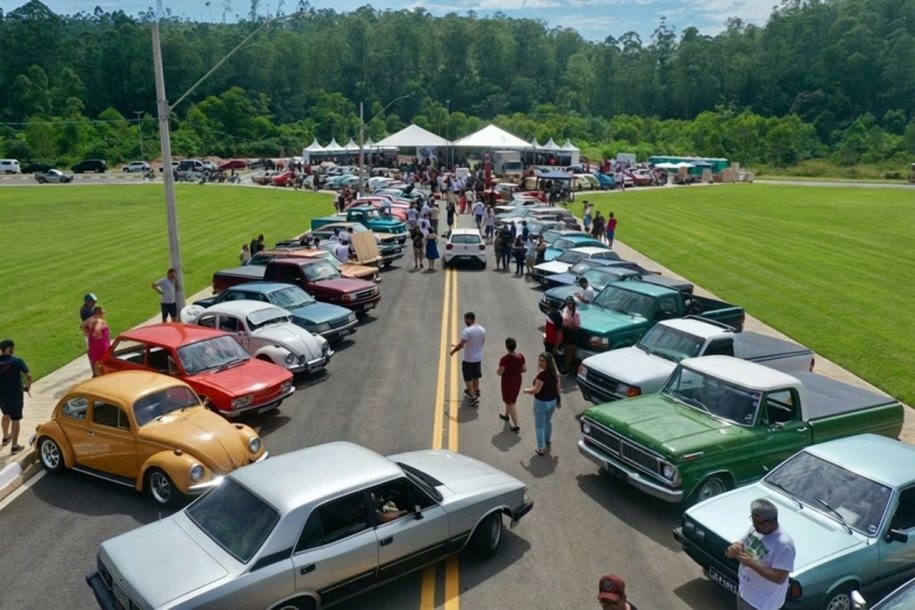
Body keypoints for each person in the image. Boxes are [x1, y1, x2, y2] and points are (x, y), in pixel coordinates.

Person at [726, 498, 795, 610]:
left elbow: (780, 578)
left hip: (762, 604)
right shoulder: (756, 529)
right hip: (745, 593)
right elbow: (740, 543)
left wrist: (750, 563)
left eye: (758, 523)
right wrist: (734, 548)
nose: (754, 526)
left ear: (772, 522)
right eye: (753, 520)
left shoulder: (784, 544)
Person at [523, 352, 560, 456]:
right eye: (540, 360)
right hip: (552, 402)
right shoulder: (554, 374)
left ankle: (541, 448)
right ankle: (547, 440)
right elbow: (557, 388)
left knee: (539, 425)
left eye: (543, 361)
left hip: (541, 402)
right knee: (548, 421)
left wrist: (526, 390)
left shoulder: (541, 376)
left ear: (548, 362)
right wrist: (559, 400)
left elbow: (536, 390)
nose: (540, 363)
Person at [0, 339, 32, 455]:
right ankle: (14, 445)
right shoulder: (17, 361)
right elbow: (29, 376)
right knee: (15, 419)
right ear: (9, 349)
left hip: (2, 395)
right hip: (15, 394)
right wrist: (27, 387)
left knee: (5, 414)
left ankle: (5, 436)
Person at [450, 312, 486, 406]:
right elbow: (482, 342)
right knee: (476, 376)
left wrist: (453, 351)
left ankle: (473, 397)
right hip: (478, 358)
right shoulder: (482, 330)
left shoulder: (467, 331)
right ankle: (476, 389)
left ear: (469, 319)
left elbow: (461, 345)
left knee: (468, 378)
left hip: (469, 359)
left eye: (465, 319)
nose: (465, 321)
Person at [496, 338, 525, 432]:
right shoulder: (520, 356)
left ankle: (516, 424)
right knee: (510, 399)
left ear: (507, 347)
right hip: (517, 379)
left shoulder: (505, 359)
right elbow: (524, 369)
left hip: (508, 381)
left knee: (510, 402)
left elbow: (500, 372)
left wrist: (498, 371)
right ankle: (506, 415)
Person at [80, 306, 111, 377]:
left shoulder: (90, 319)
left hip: (93, 343)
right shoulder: (99, 321)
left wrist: (88, 333)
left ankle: (97, 375)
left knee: (96, 361)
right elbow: (97, 329)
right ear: (99, 313)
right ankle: (103, 375)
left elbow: (82, 325)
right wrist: (99, 335)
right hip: (101, 344)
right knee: (103, 360)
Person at [561, 297, 581, 376]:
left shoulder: (576, 313)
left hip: (571, 334)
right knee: (565, 352)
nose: (569, 305)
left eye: (571, 304)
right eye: (568, 304)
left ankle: (567, 370)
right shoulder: (565, 309)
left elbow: (577, 327)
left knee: (569, 352)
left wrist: (569, 326)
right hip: (564, 332)